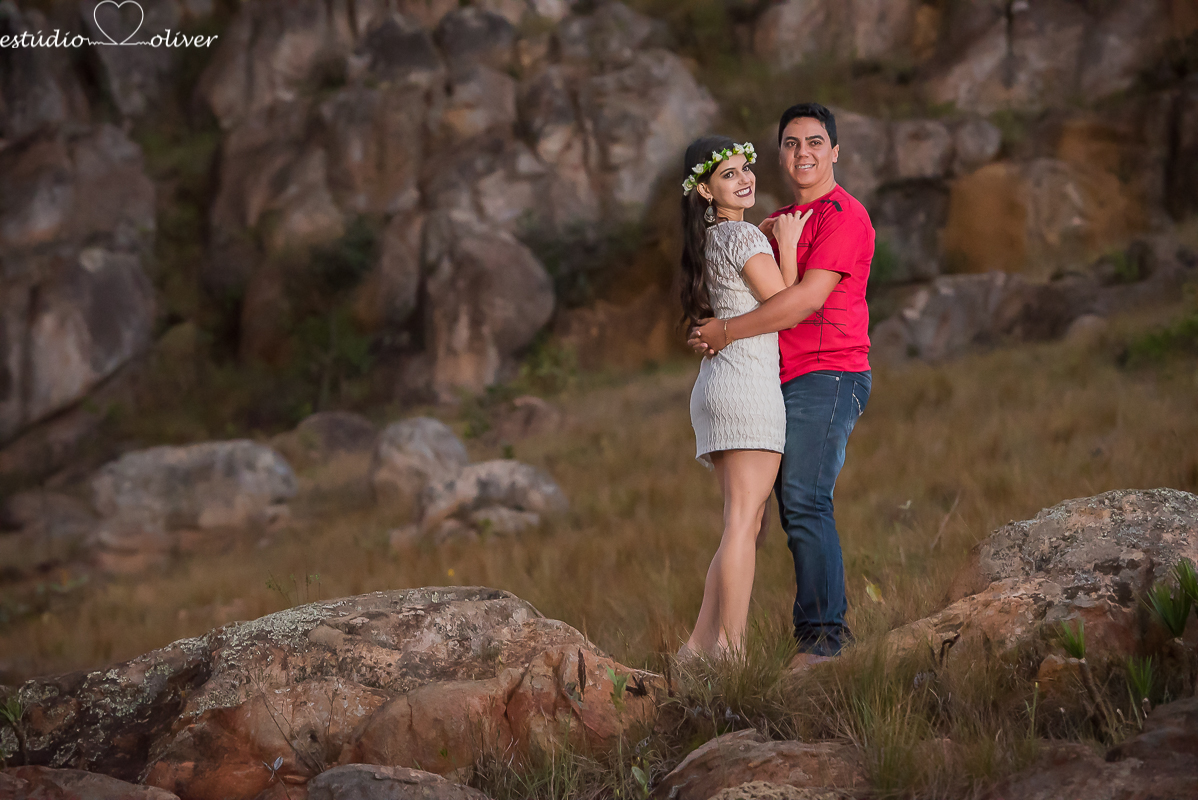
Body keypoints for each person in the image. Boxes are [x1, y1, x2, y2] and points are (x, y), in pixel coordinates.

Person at [689, 104, 874, 660]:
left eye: (815, 142)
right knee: (751, 522)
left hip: (830, 370)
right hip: (771, 380)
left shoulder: (843, 215)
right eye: (791, 144)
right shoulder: (773, 221)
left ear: (834, 151)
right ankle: (704, 648)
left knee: (803, 499)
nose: (804, 153)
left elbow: (802, 302)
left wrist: (725, 330)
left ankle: (821, 643)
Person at [677, 134, 812, 659]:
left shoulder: (712, 240)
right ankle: (731, 650)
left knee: (744, 523)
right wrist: (792, 244)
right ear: (706, 191)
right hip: (747, 388)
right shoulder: (743, 240)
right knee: (742, 524)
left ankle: (698, 647)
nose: (744, 178)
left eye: (744, 169)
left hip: (718, 388)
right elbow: (787, 303)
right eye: (728, 175)